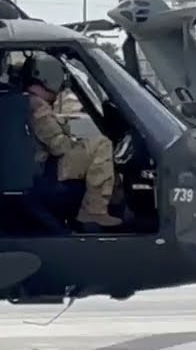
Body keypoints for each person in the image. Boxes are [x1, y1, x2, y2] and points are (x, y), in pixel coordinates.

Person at [23, 53, 123, 229]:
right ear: (48, 79)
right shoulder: (37, 105)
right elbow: (58, 146)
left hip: (40, 164)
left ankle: (115, 207)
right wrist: (74, 142)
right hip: (49, 167)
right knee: (102, 145)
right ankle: (94, 211)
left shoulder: (28, 101)